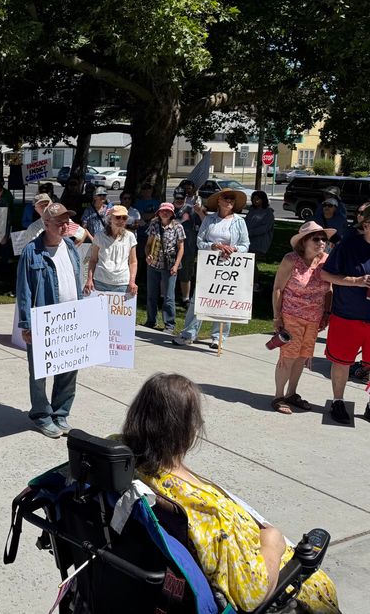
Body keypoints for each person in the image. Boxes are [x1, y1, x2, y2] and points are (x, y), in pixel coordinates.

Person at [122, 373, 341, 613]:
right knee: (321, 585)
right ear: (186, 430)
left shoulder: (124, 462)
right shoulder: (203, 509)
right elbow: (252, 595)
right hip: (272, 580)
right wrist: (272, 544)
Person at [16, 203, 82, 438]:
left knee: (69, 368)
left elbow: (76, 281)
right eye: (60, 222)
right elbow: (23, 289)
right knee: (40, 372)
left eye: (67, 221)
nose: (66, 226)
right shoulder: (32, 251)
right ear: (46, 224)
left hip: (71, 320)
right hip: (44, 322)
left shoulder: (72, 248)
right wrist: (26, 324)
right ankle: (41, 415)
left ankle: (60, 413)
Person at [269, 222, 333, 415]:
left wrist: (327, 313)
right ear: (304, 242)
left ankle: (292, 393)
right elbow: (278, 289)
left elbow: (329, 289)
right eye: (316, 238)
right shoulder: (291, 260)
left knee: (302, 358)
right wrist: (277, 317)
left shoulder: (326, 261)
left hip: (314, 319)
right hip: (291, 317)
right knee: (288, 358)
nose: (321, 242)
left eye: (324, 238)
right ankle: (278, 396)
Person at [174, 188, 249, 349]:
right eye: (226, 198)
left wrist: (234, 249)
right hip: (209, 265)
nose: (229, 202)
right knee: (199, 299)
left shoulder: (239, 221)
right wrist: (213, 246)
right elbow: (200, 241)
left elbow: (245, 245)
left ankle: (218, 337)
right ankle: (188, 334)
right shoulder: (209, 220)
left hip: (229, 266)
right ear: (219, 201)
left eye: (232, 200)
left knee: (224, 301)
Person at [320, 204, 370, 424]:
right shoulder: (348, 246)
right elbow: (325, 274)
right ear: (366, 225)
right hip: (347, 314)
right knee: (341, 362)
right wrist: (355, 282)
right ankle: (338, 401)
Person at [144, 202, 185, 334]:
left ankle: (169, 324)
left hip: (169, 265)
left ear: (172, 213)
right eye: (162, 211)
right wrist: (148, 255)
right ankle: (151, 320)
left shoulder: (178, 227)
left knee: (169, 296)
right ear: (159, 213)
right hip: (154, 264)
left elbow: (181, 248)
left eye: (167, 211)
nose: (165, 213)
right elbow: (148, 244)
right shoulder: (154, 225)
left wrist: (176, 265)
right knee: (151, 294)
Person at [84, 205, 137, 295]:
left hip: (122, 283)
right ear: (110, 218)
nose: (121, 220)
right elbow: (93, 260)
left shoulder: (130, 237)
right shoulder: (99, 236)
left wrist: (132, 281)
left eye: (124, 218)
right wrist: (89, 279)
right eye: (117, 217)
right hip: (100, 282)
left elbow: (133, 262)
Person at [173, 188, 201, 306]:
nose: (179, 200)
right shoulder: (169, 209)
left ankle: (185, 299)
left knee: (186, 274)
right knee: (168, 273)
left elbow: (199, 227)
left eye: (182, 198)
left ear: (185, 197)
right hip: (171, 247)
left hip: (188, 247)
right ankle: (165, 296)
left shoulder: (191, 210)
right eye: (177, 198)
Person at [245, 190, 275, 260]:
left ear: (263, 200)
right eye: (253, 199)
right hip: (248, 241)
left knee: (252, 261)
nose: (255, 201)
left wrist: (250, 232)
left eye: (257, 199)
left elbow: (264, 228)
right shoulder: (251, 211)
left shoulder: (268, 213)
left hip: (260, 243)